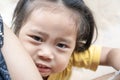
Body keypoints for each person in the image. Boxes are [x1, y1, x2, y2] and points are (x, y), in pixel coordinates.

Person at [1, 0, 120, 80]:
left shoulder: (72, 55)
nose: (46, 54)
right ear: (15, 32)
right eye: (37, 38)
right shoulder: (7, 57)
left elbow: (110, 54)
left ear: (75, 46)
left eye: (61, 45)